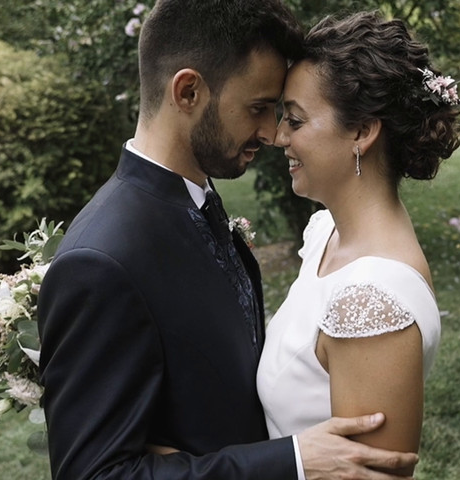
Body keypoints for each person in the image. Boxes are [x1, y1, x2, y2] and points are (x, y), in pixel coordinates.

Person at [36, 1, 419, 479]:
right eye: (258, 108)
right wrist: (292, 462)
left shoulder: (197, 198)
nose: (270, 132)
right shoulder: (101, 261)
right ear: (189, 90)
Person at [257, 11, 460, 477]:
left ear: (362, 132)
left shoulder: (371, 302)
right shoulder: (325, 232)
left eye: (295, 119)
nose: (279, 136)